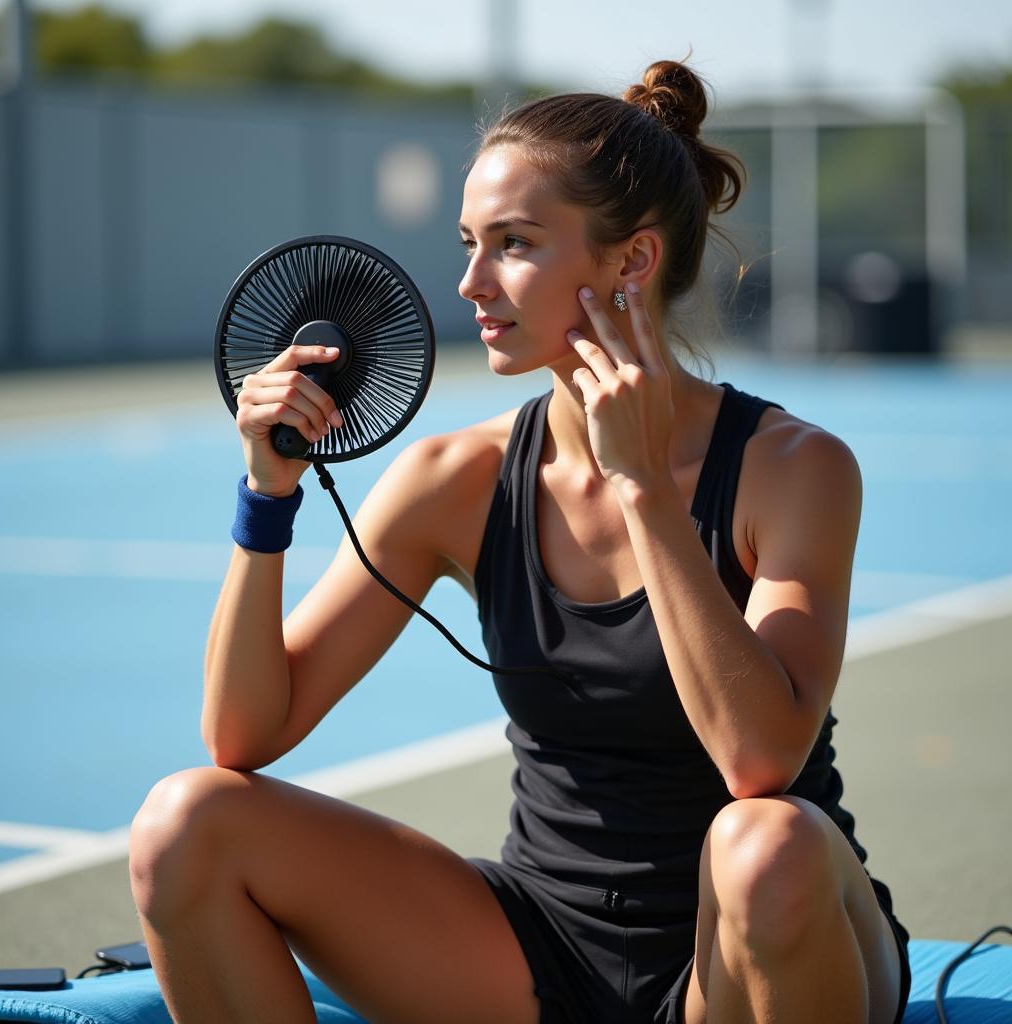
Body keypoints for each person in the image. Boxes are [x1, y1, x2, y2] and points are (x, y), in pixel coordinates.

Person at [129, 57, 912, 1024]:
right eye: (469, 243)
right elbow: (243, 734)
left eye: (513, 244)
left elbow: (760, 762)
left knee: (767, 846)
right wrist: (267, 493)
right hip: (538, 942)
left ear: (629, 263)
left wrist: (643, 493)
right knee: (185, 823)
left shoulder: (794, 467)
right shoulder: (451, 482)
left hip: (759, 950)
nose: (469, 283)